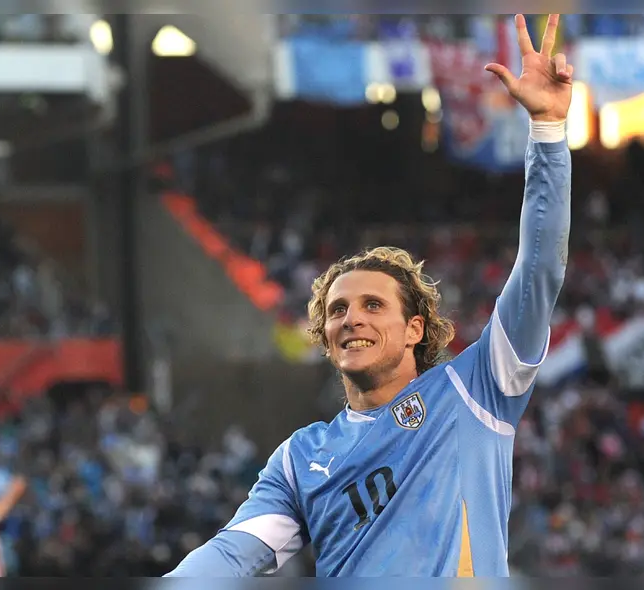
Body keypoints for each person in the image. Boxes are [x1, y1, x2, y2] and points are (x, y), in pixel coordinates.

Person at [166, 13, 574, 577]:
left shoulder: (477, 388)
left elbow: (539, 269)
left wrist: (548, 132)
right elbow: (234, 553)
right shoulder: (299, 460)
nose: (350, 318)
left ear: (415, 328)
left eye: (372, 305)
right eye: (337, 310)